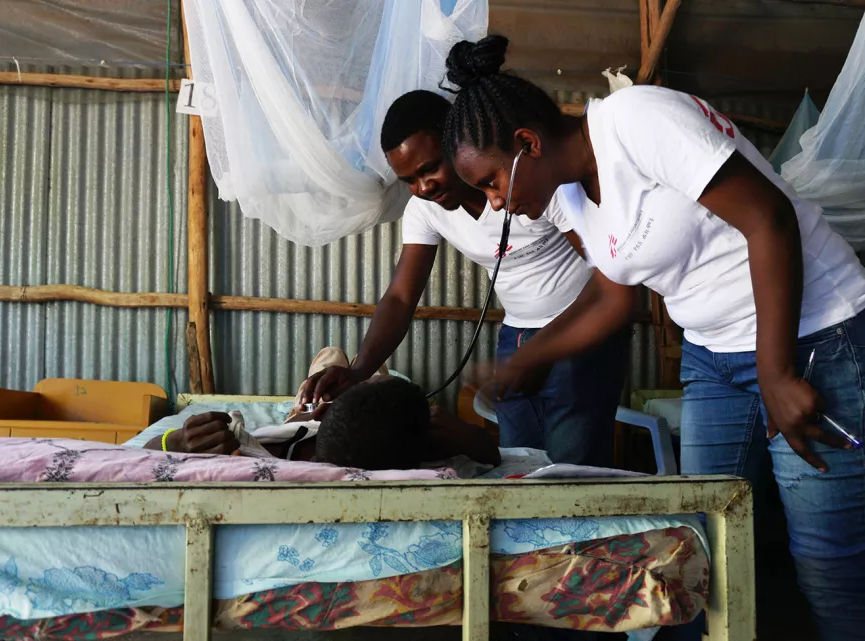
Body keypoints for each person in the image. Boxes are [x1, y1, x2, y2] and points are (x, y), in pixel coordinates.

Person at [440, 34, 865, 640]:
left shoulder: (637, 119)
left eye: (489, 183)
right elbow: (614, 299)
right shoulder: (572, 197)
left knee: (829, 566)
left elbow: (768, 217)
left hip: (812, 338)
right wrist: (525, 358)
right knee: (697, 549)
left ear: (526, 145)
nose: (493, 204)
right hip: (713, 360)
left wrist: (776, 372)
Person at [297, 89, 630, 467]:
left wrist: (544, 350)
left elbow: (608, 281)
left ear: (458, 145)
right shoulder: (425, 210)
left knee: (573, 466)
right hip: (517, 336)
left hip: (581, 332)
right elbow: (401, 298)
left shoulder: (531, 183)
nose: (423, 188)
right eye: (409, 179)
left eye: (429, 168)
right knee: (517, 462)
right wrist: (358, 372)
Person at [147, 347, 500, 471]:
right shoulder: (424, 445)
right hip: (374, 427)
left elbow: (137, 456)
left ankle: (320, 381)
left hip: (304, 421)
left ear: (320, 412)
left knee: (330, 359)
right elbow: (491, 455)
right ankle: (366, 371)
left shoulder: (262, 449)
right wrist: (469, 435)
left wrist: (175, 442)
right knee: (375, 374)